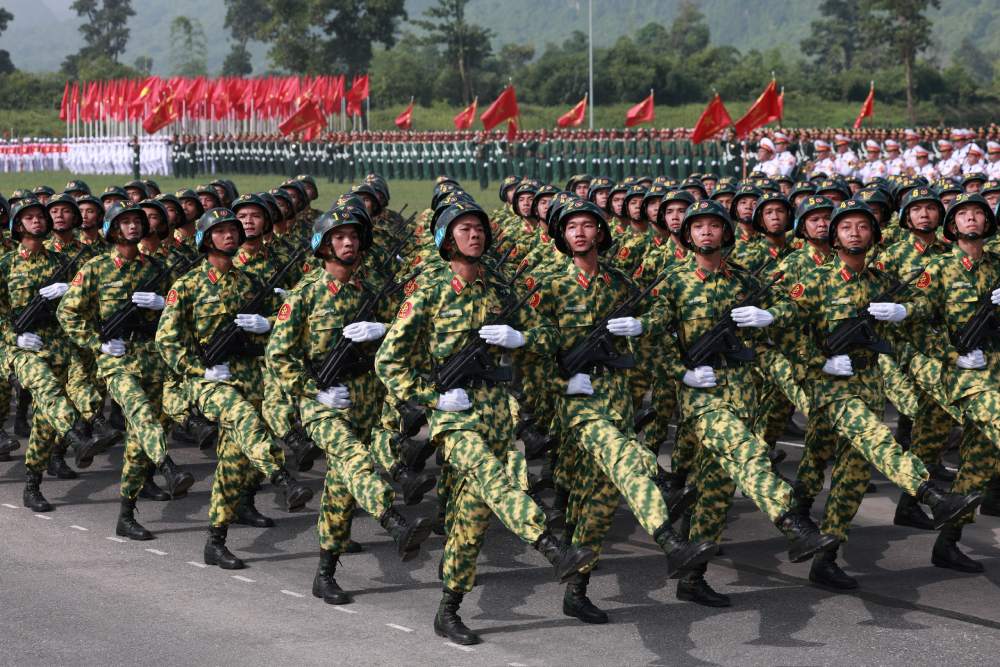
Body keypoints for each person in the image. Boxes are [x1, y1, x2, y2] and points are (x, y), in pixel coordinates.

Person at [376, 201, 598, 645]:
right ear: (446, 239)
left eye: (478, 228)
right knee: (497, 480)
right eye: (463, 229)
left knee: (473, 518)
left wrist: (521, 338)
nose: (474, 235)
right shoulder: (429, 292)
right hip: (455, 417)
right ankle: (551, 547)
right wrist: (433, 397)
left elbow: (549, 337)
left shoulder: (499, 290)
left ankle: (449, 609)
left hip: (498, 412)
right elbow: (388, 360)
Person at [266, 206, 433, 605]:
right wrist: (313, 391)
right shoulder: (305, 294)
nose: (348, 243)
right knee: (357, 460)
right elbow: (278, 356)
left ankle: (325, 572)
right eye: (339, 237)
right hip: (324, 404)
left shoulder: (373, 289)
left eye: (353, 237)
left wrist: (385, 328)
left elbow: (410, 334)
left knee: (341, 488)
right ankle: (393, 521)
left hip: (366, 401)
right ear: (323, 246)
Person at [155, 207, 314, 570]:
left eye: (233, 230)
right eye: (221, 231)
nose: (231, 234)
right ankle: (283, 478)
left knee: (233, 460)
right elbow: (168, 340)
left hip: (247, 377)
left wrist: (266, 323)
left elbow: (287, 317)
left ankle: (216, 539)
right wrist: (200, 369)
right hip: (207, 382)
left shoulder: (247, 283)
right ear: (206, 239)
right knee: (245, 419)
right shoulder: (188, 285)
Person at [57, 203, 195, 540]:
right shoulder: (96, 268)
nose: (133, 227)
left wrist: (165, 304)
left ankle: (126, 513)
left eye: (137, 221)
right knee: (142, 415)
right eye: (126, 222)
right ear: (113, 229)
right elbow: (67, 312)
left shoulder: (158, 267)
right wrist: (97, 343)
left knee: (138, 441)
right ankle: (168, 468)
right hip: (116, 360)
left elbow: (182, 313)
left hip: (152, 358)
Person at [0, 198, 103, 512]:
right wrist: (14, 335)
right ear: (18, 226)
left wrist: (68, 289)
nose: (37, 221)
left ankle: (32, 483)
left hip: (57, 344)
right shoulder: (5, 264)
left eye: (40, 217)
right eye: (29, 217)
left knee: (45, 419)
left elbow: (88, 297)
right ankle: (74, 435)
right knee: (46, 387)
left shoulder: (62, 262)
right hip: (18, 347)